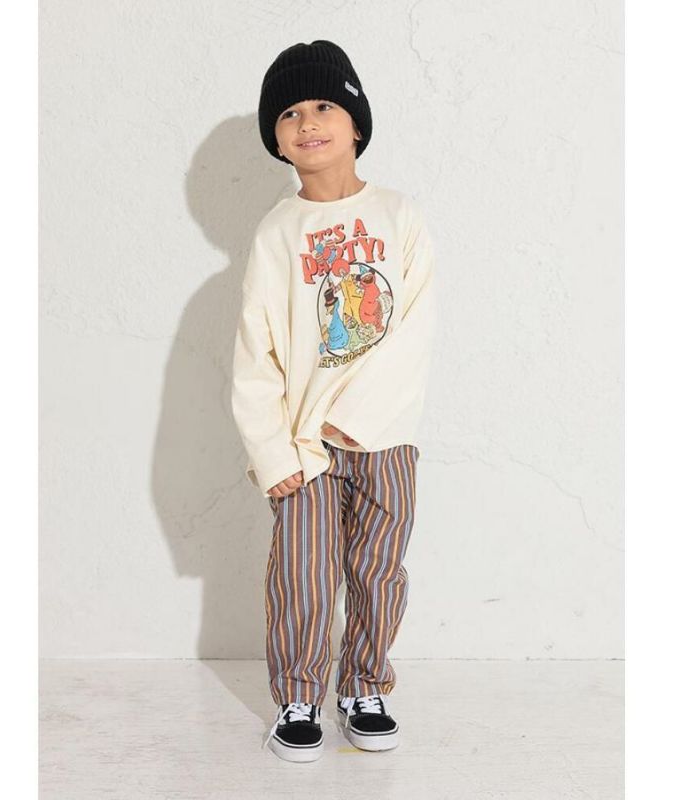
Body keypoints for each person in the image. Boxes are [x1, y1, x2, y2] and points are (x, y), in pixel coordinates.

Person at [230, 39, 437, 762]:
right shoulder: (276, 234)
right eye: (289, 113)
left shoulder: (399, 215)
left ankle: (364, 687)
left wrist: (359, 418)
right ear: (276, 138)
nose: (308, 122)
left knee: (379, 573)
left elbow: (415, 329)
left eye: (323, 105)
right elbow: (256, 353)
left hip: (386, 437)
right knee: (302, 577)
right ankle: (299, 696)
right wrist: (271, 451)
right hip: (303, 445)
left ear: (356, 123)